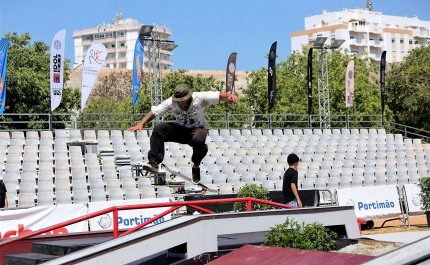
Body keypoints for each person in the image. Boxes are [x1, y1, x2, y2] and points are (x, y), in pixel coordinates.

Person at [128, 84, 239, 183]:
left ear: (189, 97)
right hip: (180, 130)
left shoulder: (200, 97)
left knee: (199, 140)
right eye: (179, 101)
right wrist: (141, 123)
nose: (181, 103)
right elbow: (154, 112)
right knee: (158, 129)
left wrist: (229, 96)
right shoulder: (170, 102)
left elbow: (219, 95)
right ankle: (154, 162)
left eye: (184, 100)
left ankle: (196, 166)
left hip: (197, 129)